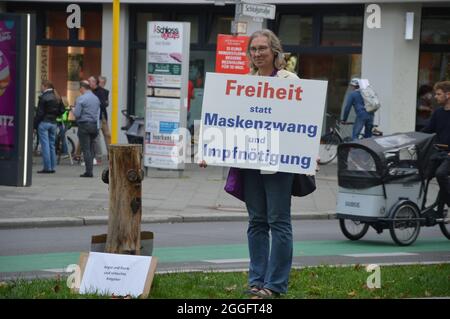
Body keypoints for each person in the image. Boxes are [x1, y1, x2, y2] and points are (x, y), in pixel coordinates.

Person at [201, 29, 301, 299]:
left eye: (262, 49)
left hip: (280, 163)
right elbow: (229, 120)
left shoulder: (289, 80)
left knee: (278, 221)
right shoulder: (245, 81)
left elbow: (302, 121)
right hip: (251, 162)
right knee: (257, 221)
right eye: (253, 49)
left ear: (275, 51)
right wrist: (210, 148)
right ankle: (256, 282)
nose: (257, 54)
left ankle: (275, 285)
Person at [422, 81, 450, 208]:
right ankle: (420, 207)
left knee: (441, 173)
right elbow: (427, 130)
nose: (435, 97)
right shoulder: (438, 112)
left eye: (438, 94)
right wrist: (408, 137)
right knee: (423, 174)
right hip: (439, 152)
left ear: (448, 95)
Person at [34, 80, 65, 173]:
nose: (40, 88)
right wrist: (56, 115)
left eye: (41, 86)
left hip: (44, 123)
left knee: (45, 145)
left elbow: (39, 113)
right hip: (53, 123)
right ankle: (52, 166)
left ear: (45, 86)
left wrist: (34, 125)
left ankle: (47, 168)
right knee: (52, 145)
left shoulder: (43, 97)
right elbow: (62, 110)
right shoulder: (57, 96)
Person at [72, 80, 100, 177]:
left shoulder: (81, 99)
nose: (80, 91)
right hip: (94, 125)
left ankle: (89, 172)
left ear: (82, 88)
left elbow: (77, 114)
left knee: (86, 149)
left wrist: (73, 109)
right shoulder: (96, 98)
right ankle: (90, 169)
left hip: (84, 125)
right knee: (91, 148)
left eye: (80, 89)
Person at [88, 75, 111, 162]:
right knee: (95, 136)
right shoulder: (91, 91)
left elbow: (105, 103)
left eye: (101, 83)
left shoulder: (105, 91)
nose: (99, 84)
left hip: (102, 116)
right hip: (95, 116)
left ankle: (110, 154)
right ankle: (78, 154)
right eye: (99, 82)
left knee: (107, 135)